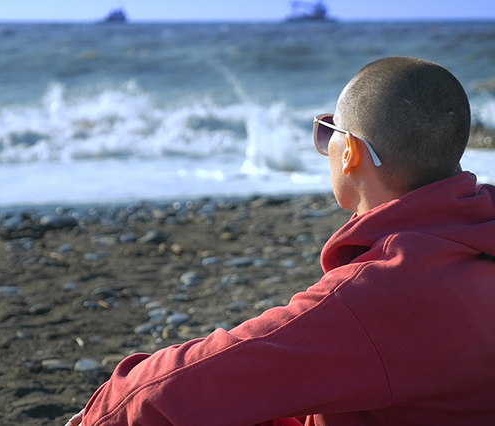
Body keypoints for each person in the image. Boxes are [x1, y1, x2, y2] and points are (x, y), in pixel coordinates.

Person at [67, 57, 495, 426]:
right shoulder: (476, 238)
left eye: (330, 133)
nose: (326, 145)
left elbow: (182, 385)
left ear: (351, 155)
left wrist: (97, 415)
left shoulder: (381, 291)